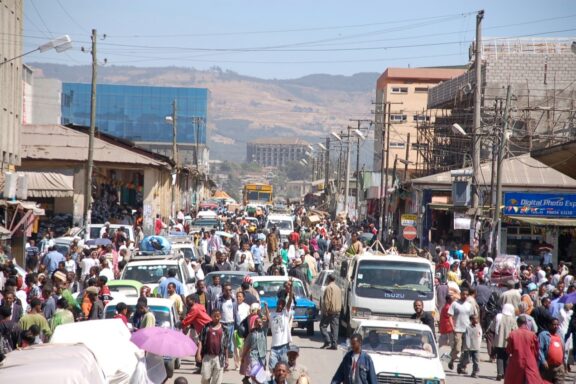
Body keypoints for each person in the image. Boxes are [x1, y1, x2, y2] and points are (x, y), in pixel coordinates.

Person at [505, 315, 543, 384]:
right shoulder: (532, 335)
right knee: (532, 380)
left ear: (517, 323)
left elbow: (509, 350)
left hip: (517, 360)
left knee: (514, 380)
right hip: (530, 361)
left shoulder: (513, 334)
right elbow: (536, 349)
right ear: (526, 323)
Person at [267, 278, 294, 371]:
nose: (280, 306)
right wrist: (266, 308)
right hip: (274, 348)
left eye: (283, 304)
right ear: (277, 304)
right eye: (279, 303)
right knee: (272, 369)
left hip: (284, 347)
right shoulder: (272, 315)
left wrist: (291, 288)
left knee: (284, 370)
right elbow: (267, 318)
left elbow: (290, 300)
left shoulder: (285, 314)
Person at [197, 310, 230, 384]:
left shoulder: (224, 329)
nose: (216, 318)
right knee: (205, 377)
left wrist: (227, 359)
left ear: (220, 316)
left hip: (219, 357)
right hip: (207, 356)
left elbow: (226, 345)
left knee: (217, 380)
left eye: (218, 316)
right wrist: (198, 354)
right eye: (214, 316)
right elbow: (200, 341)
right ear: (211, 317)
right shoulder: (206, 327)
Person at [447, 288, 473, 370]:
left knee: (465, 350)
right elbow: (450, 316)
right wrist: (452, 326)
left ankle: (462, 366)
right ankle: (451, 360)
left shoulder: (469, 305)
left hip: (467, 329)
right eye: (463, 294)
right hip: (458, 329)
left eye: (466, 294)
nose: (465, 296)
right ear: (460, 294)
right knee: (457, 349)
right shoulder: (455, 304)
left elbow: (472, 317)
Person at [493, 303, 518, 380]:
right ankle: (505, 373)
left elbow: (493, 327)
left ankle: (499, 373)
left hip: (499, 341)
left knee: (499, 357)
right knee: (506, 357)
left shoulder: (498, 316)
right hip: (508, 342)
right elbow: (515, 330)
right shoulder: (513, 319)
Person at [241, 315, 268, 384]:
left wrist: (266, 308)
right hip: (253, 356)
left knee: (260, 374)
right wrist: (243, 356)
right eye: (257, 322)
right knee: (255, 372)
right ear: (255, 324)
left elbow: (268, 320)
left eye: (260, 322)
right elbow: (247, 346)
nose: (259, 323)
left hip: (262, 356)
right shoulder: (252, 334)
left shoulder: (264, 331)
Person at [539, 317, 565, 383]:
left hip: (559, 368)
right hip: (548, 368)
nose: (556, 326)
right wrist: (543, 361)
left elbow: (563, 349)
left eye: (557, 325)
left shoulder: (559, 336)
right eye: (554, 324)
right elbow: (539, 349)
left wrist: (564, 363)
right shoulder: (544, 335)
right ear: (549, 325)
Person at [320, 274, 342, 350]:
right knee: (335, 328)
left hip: (330, 311)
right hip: (337, 311)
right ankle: (334, 344)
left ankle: (327, 341)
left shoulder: (329, 288)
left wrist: (325, 310)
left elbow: (327, 301)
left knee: (322, 326)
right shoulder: (338, 288)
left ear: (328, 279)